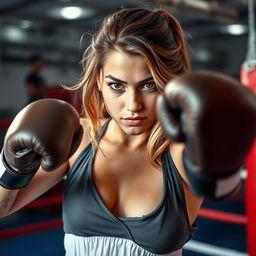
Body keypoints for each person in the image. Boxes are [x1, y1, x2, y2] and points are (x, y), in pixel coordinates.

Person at [0, 8, 255, 256]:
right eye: (116, 85)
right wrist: (12, 167)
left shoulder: (179, 148)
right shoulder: (78, 138)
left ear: (170, 82)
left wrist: (223, 155)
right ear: (99, 80)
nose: (133, 105)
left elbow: (222, 189)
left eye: (148, 84)